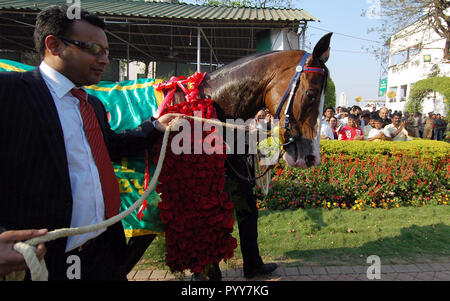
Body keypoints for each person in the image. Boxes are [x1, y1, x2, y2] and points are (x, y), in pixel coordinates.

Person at [0, 5, 183, 281]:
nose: (105, 60)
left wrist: (155, 127)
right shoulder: (11, 94)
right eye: (95, 49)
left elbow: (110, 147)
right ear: (54, 45)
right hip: (44, 261)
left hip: (103, 252)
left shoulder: (91, 104)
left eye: (107, 51)